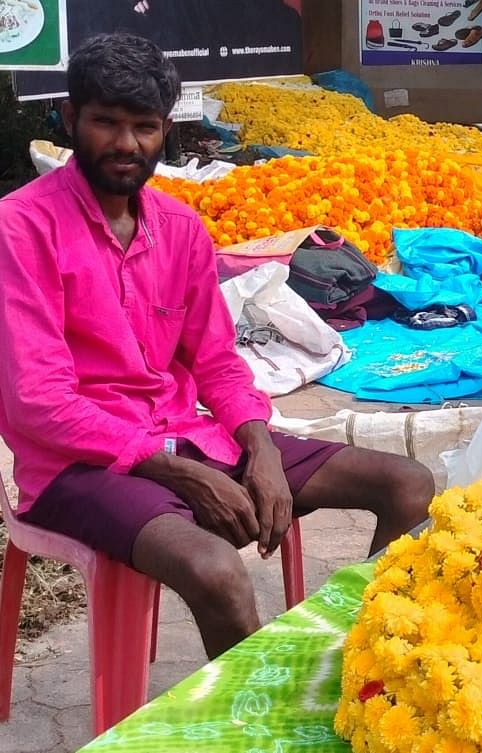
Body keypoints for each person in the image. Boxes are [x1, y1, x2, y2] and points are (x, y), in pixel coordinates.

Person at [0, 34, 434, 660]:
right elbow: (38, 403)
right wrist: (177, 469)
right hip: (77, 467)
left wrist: (258, 446)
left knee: (407, 484)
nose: (126, 145)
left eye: (144, 127)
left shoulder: (180, 229)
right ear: (70, 120)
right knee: (216, 570)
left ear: (164, 129)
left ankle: (360, 667)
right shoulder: (21, 228)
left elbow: (217, 363)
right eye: (106, 123)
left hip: (189, 437)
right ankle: (256, 724)